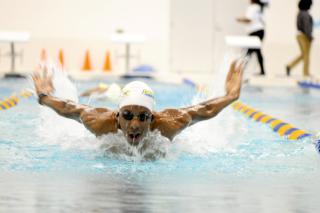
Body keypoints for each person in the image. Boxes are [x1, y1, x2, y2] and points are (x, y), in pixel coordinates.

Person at [32, 59, 244, 146]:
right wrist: (44, 97)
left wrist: (230, 96)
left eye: (143, 116)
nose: (134, 124)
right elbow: (70, 108)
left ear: (152, 118)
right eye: (127, 115)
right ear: (117, 116)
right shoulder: (99, 122)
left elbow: (203, 110)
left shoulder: (169, 124)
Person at [237, 0, 266, 75]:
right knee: (255, 50)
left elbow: (249, 19)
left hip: (255, 31)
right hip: (260, 31)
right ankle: (262, 71)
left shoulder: (253, 7)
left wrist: (239, 19)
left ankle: (241, 69)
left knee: (249, 51)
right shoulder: (259, 7)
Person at [286, 0, 313, 77]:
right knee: (306, 55)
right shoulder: (305, 14)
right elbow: (306, 26)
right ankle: (306, 73)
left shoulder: (299, 13)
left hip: (299, 35)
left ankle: (289, 66)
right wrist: (309, 35)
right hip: (304, 36)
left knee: (304, 55)